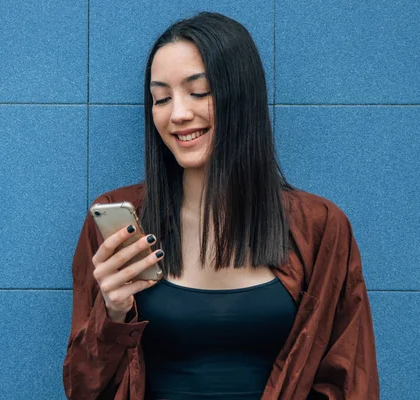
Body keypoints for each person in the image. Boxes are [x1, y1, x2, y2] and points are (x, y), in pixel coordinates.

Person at [63, 12, 379, 400]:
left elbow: (350, 381)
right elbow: (81, 389)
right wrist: (111, 314)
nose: (177, 113)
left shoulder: (320, 227)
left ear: (242, 96)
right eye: (161, 97)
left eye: (199, 92)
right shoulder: (117, 220)